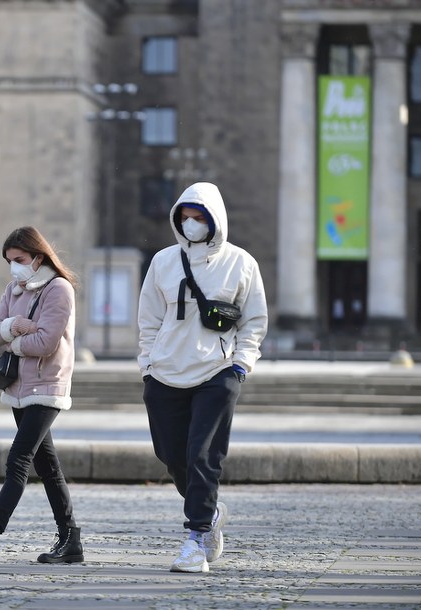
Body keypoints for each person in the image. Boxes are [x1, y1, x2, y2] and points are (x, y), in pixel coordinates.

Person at [137, 182, 268, 573]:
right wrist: (147, 365)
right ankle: (209, 513)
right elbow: (149, 319)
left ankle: (195, 540)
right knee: (171, 456)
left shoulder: (241, 263)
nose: (191, 224)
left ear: (215, 220)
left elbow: (254, 320)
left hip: (217, 372)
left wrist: (240, 365)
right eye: (185, 218)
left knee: (202, 456)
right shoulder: (162, 261)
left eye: (199, 217)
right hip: (165, 373)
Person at [0, 226, 84, 564]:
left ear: (38, 257)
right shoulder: (13, 290)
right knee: (47, 466)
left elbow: (46, 342)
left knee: (19, 459)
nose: (14, 267)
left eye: (20, 259)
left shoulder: (58, 289)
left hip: (47, 385)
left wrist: (10, 338)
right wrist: (15, 326)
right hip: (18, 387)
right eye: (9, 261)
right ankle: (70, 539)